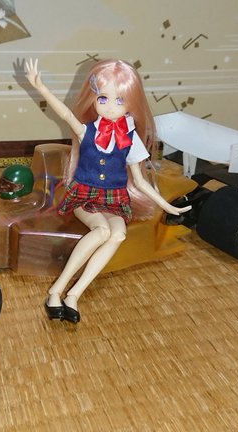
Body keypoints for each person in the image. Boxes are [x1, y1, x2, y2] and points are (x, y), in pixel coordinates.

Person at [24, 58, 191, 323]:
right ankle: (56, 290)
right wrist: (41, 88)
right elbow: (65, 114)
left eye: (119, 100)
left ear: (131, 102)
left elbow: (140, 181)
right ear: (94, 99)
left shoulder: (130, 138)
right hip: (84, 195)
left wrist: (166, 205)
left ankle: (74, 295)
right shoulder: (88, 131)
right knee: (102, 231)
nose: (110, 106)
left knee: (118, 235)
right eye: (103, 98)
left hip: (114, 200)